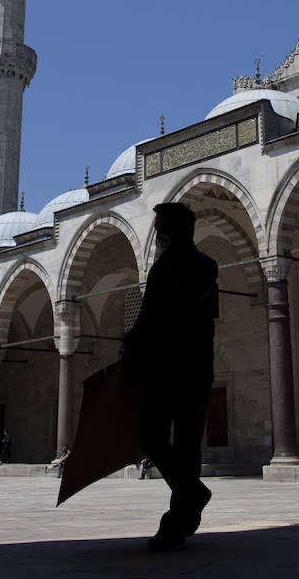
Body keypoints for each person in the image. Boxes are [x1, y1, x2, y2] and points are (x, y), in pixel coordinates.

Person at [122, 202, 219, 552]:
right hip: (191, 368)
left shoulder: (172, 268)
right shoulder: (206, 267)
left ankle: (176, 523)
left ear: (173, 232)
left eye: (160, 229)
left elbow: (149, 318)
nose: (158, 236)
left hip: (170, 368)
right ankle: (192, 491)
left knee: (167, 439)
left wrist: (130, 349)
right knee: (163, 439)